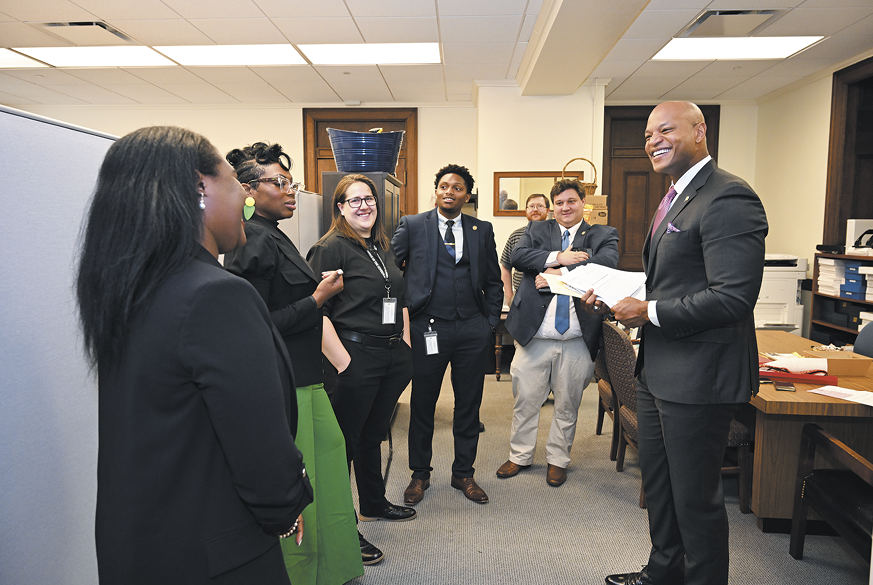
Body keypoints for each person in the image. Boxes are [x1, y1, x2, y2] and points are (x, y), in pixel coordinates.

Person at [76, 126, 313, 585]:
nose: (246, 202)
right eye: (236, 185)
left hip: (146, 540)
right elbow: (255, 438)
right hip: (216, 549)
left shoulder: (130, 290)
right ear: (200, 189)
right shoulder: (216, 296)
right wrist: (285, 505)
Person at [581, 102, 768, 585]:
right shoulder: (675, 197)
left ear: (700, 131)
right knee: (661, 486)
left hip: (701, 376)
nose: (652, 141)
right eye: (647, 135)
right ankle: (663, 570)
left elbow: (732, 298)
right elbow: (673, 279)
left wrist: (648, 311)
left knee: (695, 498)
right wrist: (619, 295)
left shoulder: (728, 196)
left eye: (666, 130)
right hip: (660, 369)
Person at [222, 143, 364, 581]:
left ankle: (333, 567)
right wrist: (317, 299)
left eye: (292, 182)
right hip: (285, 383)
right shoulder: (249, 243)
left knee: (329, 472)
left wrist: (312, 293)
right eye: (278, 182)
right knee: (301, 485)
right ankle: (301, 574)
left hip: (307, 376)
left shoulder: (274, 233)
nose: (290, 191)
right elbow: (256, 323)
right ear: (247, 190)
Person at [307, 174, 416, 566]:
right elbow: (314, 311)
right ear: (339, 208)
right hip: (353, 355)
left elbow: (397, 295)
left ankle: (372, 502)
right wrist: (344, 363)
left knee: (373, 434)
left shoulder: (380, 245)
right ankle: (344, 530)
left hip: (390, 355)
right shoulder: (329, 249)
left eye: (368, 199)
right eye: (353, 201)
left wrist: (405, 345)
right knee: (345, 446)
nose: (364, 206)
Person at [392, 164, 503, 506]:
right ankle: (419, 474)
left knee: (468, 403)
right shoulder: (413, 225)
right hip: (428, 325)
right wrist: (400, 314)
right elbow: (389, 268)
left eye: (457, 188)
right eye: (444, 186)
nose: (449, 192)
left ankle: (463, 473)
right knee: (423, 402)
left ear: (466, 195)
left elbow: (492, 280)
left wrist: (489, 323)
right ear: (436, 190)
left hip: (471, 327)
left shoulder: (481, 229)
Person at [497, 180, 619, 486]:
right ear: (554, 206)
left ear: (582, 203)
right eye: (560, 203)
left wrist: (557, 275)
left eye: (571, 201)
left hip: (578, 338)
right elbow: (519, 257)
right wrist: (559, 257)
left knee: (568, 403)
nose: (566, 207)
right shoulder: (537, 230)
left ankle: (557, 460)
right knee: (525, 400)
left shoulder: (603, 234)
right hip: (534, 335)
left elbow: (605, 265)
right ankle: (520, 455)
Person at [500, 193, 550, 304]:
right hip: (522, 299)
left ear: (548, 210)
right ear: (526, 211)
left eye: (540, 206)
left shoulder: (556, 236)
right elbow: (505, 266)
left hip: (550, 298)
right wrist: (509, 297)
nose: (535, 209)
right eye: (531, 206)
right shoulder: (516, 235)